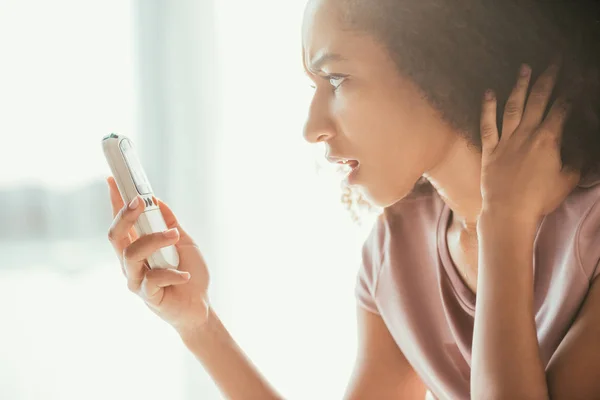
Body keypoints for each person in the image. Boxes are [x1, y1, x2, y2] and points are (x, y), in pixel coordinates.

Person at [106, 0, 600, 398]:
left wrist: (506, 225)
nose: (311, 128)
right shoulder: (396, 249)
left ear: (436, 62)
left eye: (337, 79)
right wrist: (198, 323)